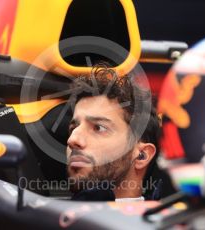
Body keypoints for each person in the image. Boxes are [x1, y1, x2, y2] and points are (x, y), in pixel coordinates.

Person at [66, 65, 161, 201]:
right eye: (72, 128)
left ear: (142, 155)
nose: (72, 139)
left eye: (98, 128)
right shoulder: (39, 217)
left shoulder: (170, 221)